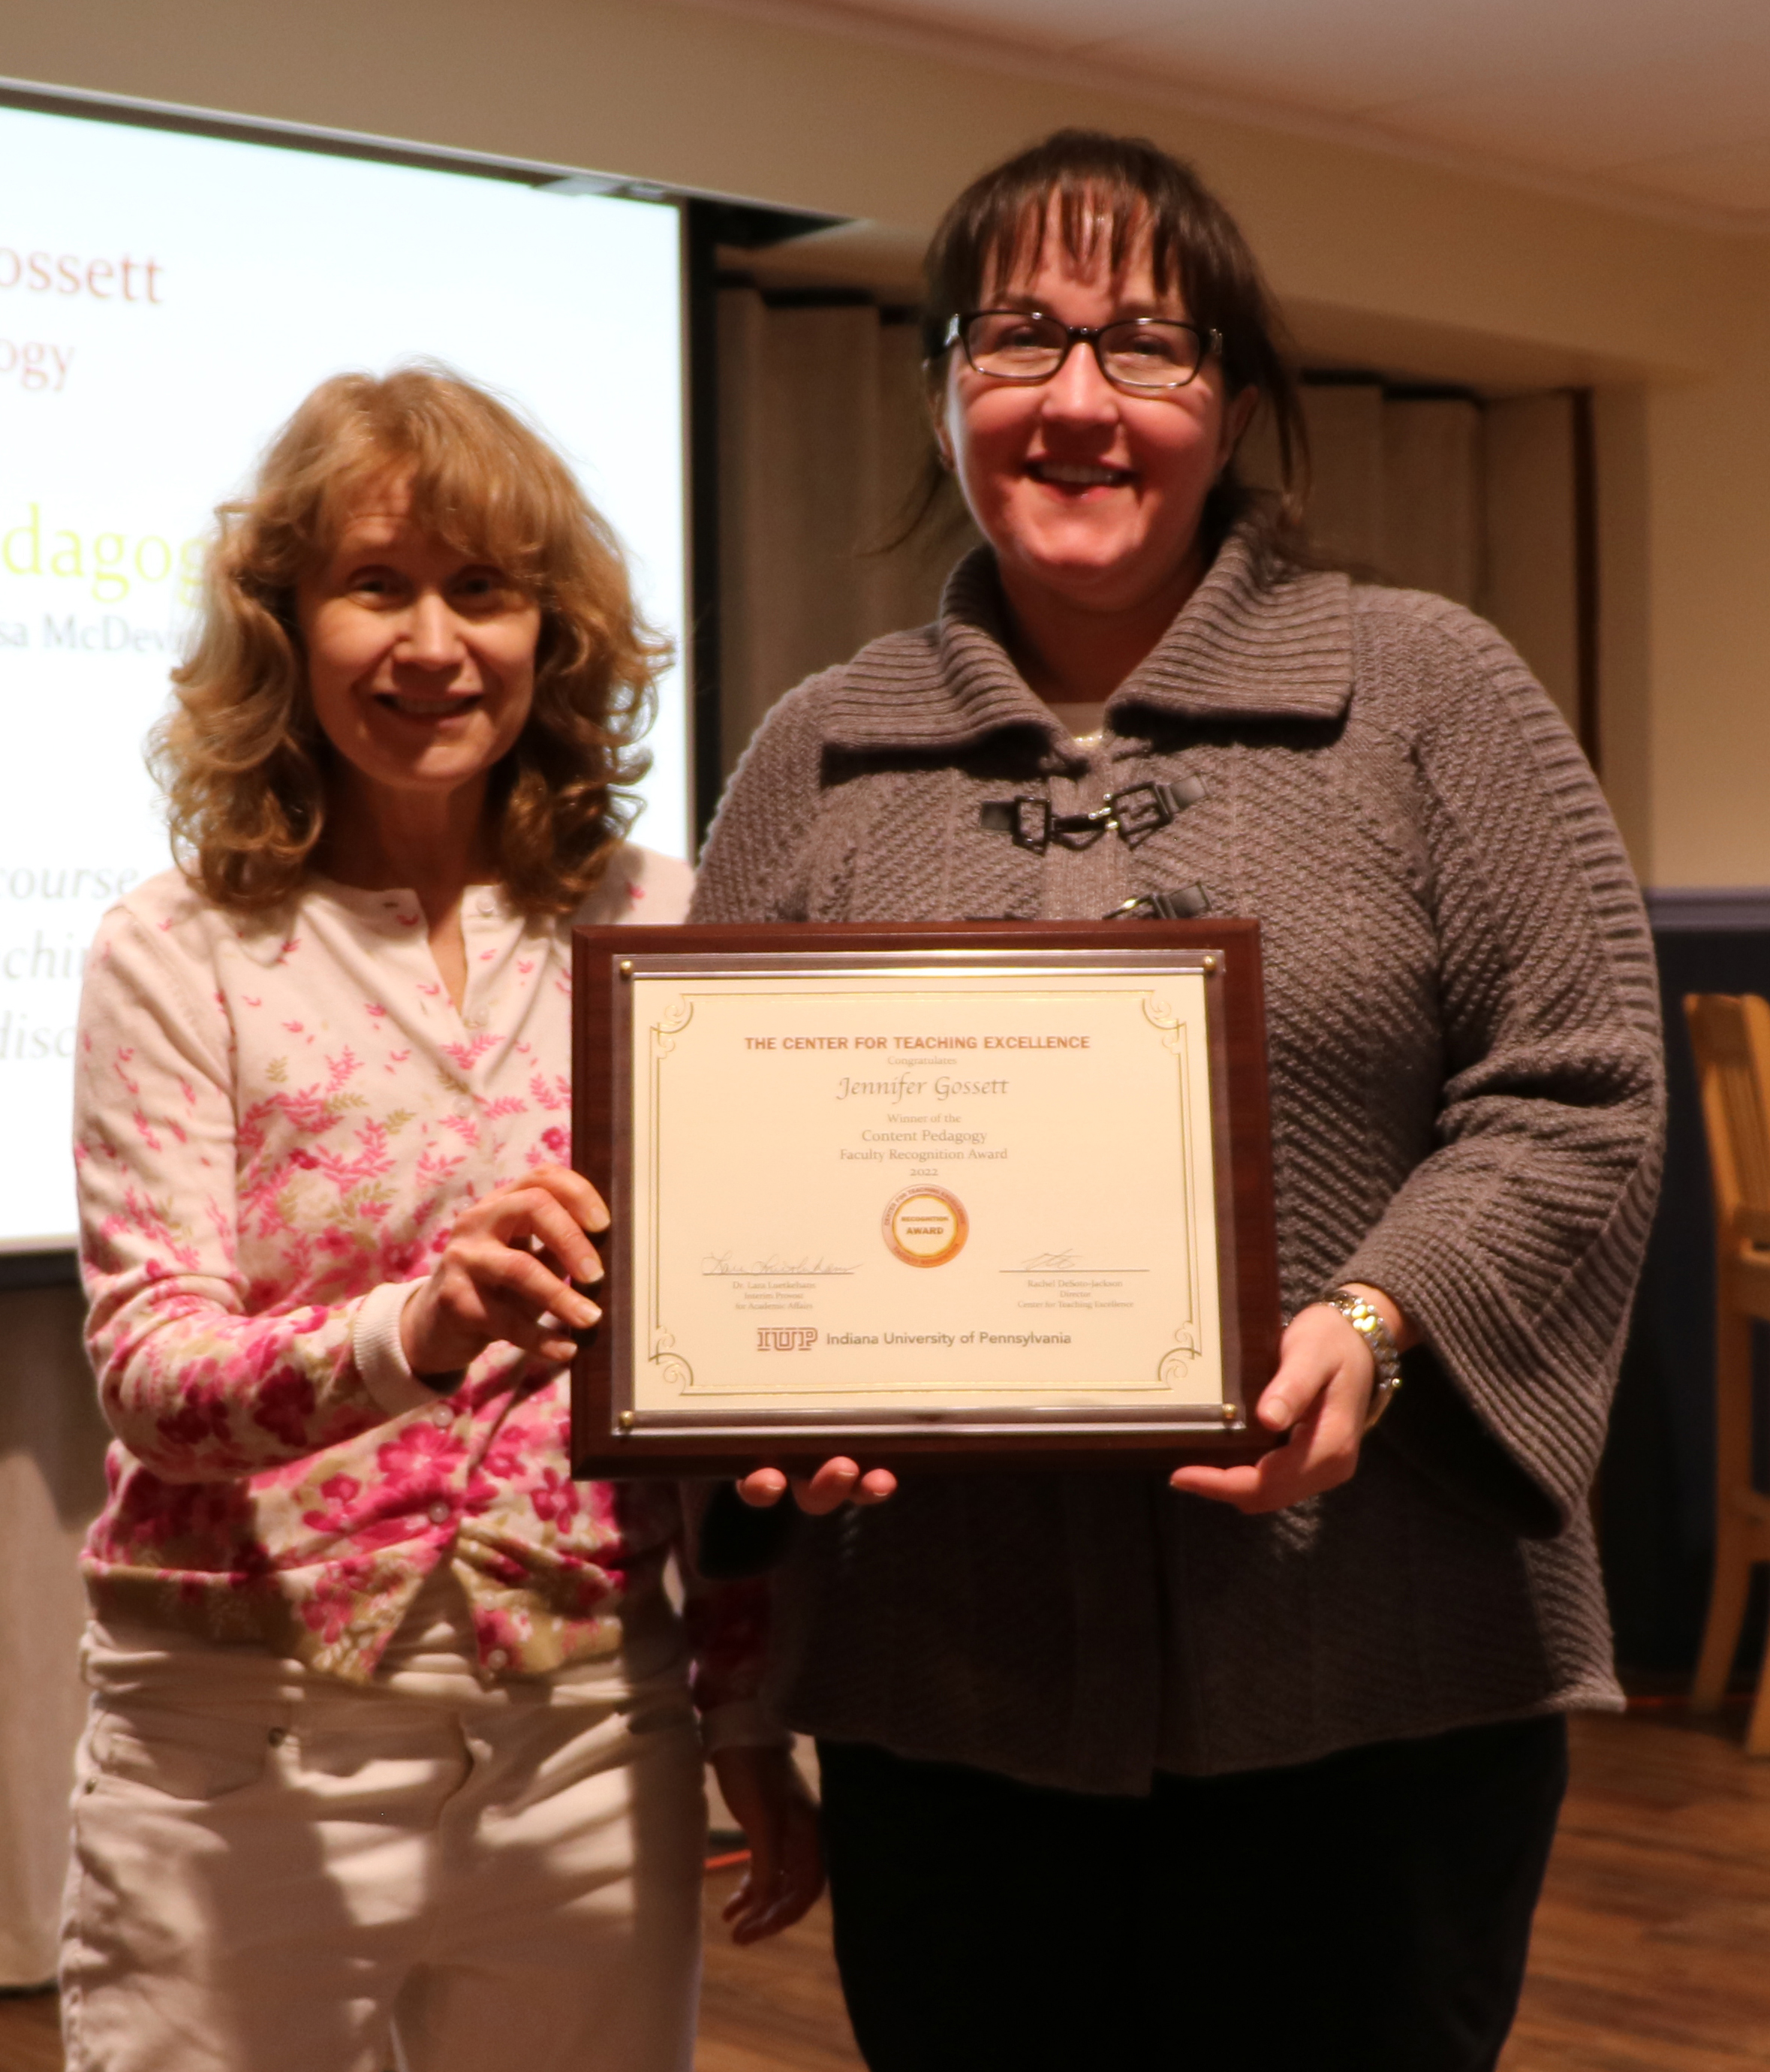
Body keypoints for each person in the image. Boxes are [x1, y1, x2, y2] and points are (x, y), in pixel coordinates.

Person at [694, 132, 1665, 2072]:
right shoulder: (817, 758)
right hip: (948, 1712)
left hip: (1371, 1684)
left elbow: (1576, 1087)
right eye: (1016, 339)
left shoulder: (1424, 696)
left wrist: (1378, 1325)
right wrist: (754, 1420)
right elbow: (723, 1181)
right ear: (942, 389)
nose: (1074, 400)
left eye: (1142, 345)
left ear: (1229, 402)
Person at [62, 366, 818, 2072]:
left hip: (589, 1739)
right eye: (374, 585)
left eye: (484, 589)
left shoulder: (665, 926)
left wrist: (753, 1715)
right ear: (284, 623)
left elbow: (723, 1381)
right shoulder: (174, 949)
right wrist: (417, 1329)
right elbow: (149, 1376)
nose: (432, 643)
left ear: (554, 630)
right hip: (236, 1748)